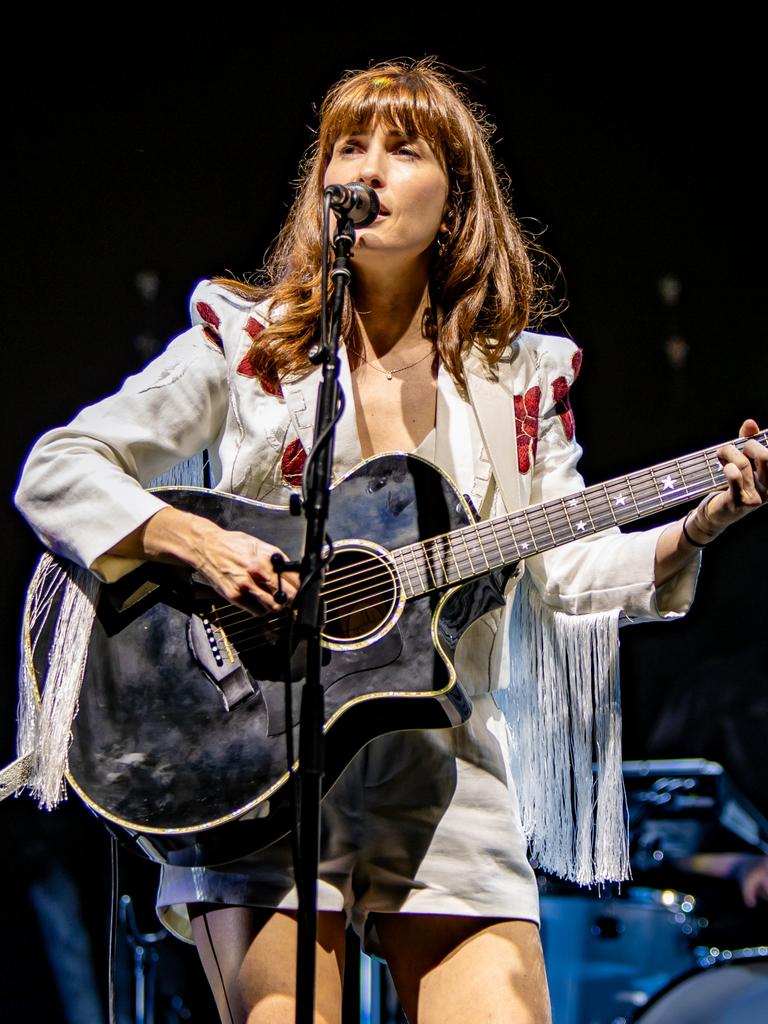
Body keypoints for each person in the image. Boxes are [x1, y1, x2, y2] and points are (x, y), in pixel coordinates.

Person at [13, 59, 767, 1024]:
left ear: (454, 202)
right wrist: (191, 539)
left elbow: (567, 571)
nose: (362, 170)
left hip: (442, 767)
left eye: (401, 150)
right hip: (257, 760)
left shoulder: (517, 382)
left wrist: (695, 528)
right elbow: (60, 467)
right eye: (346, 147)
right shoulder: (245, 345)